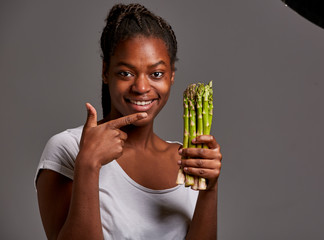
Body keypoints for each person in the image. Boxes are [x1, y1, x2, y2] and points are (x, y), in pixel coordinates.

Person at [35, 3, 222, 240]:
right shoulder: (68, 148)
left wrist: (210, 188)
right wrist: (88, 164)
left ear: (172, 76)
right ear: (105, 71)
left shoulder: (187, 160)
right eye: (126, 73)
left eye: (156, 74)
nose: (141, 87)